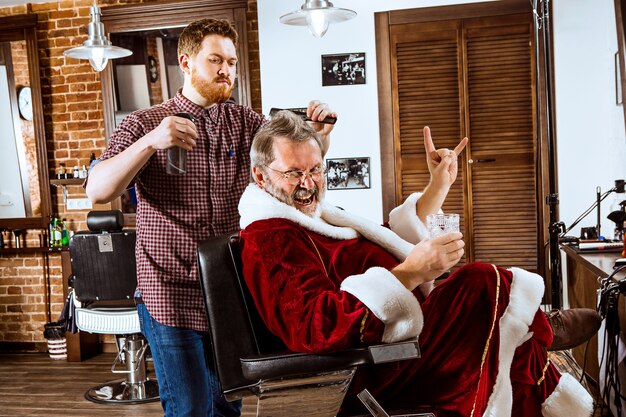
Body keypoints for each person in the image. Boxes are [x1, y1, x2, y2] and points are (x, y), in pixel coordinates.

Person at [238, 110, 597, 417]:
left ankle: (537, 329)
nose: (308, 184)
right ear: (260, 176)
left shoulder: (316, 215)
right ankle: (542, 329)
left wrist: (436, 187)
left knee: (500, 319)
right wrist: (411, 273)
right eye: (293, 173)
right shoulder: (272, 237)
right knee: (482, 284)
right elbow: (314, 324)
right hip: (371, 367)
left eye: (315, 170)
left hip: (399, 341)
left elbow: (377, 240)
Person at [85, 19, 335, 417]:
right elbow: (98, 191)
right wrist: (152, 143)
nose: (226, 70)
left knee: (227, 406)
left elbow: (293, 172)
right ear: (185, 62)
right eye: (215, 60)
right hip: (169, 293)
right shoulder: (143, 123)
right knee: (190, 409)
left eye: (232, 63)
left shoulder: (247, 124)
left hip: (228, 291)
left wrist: (319, 136)